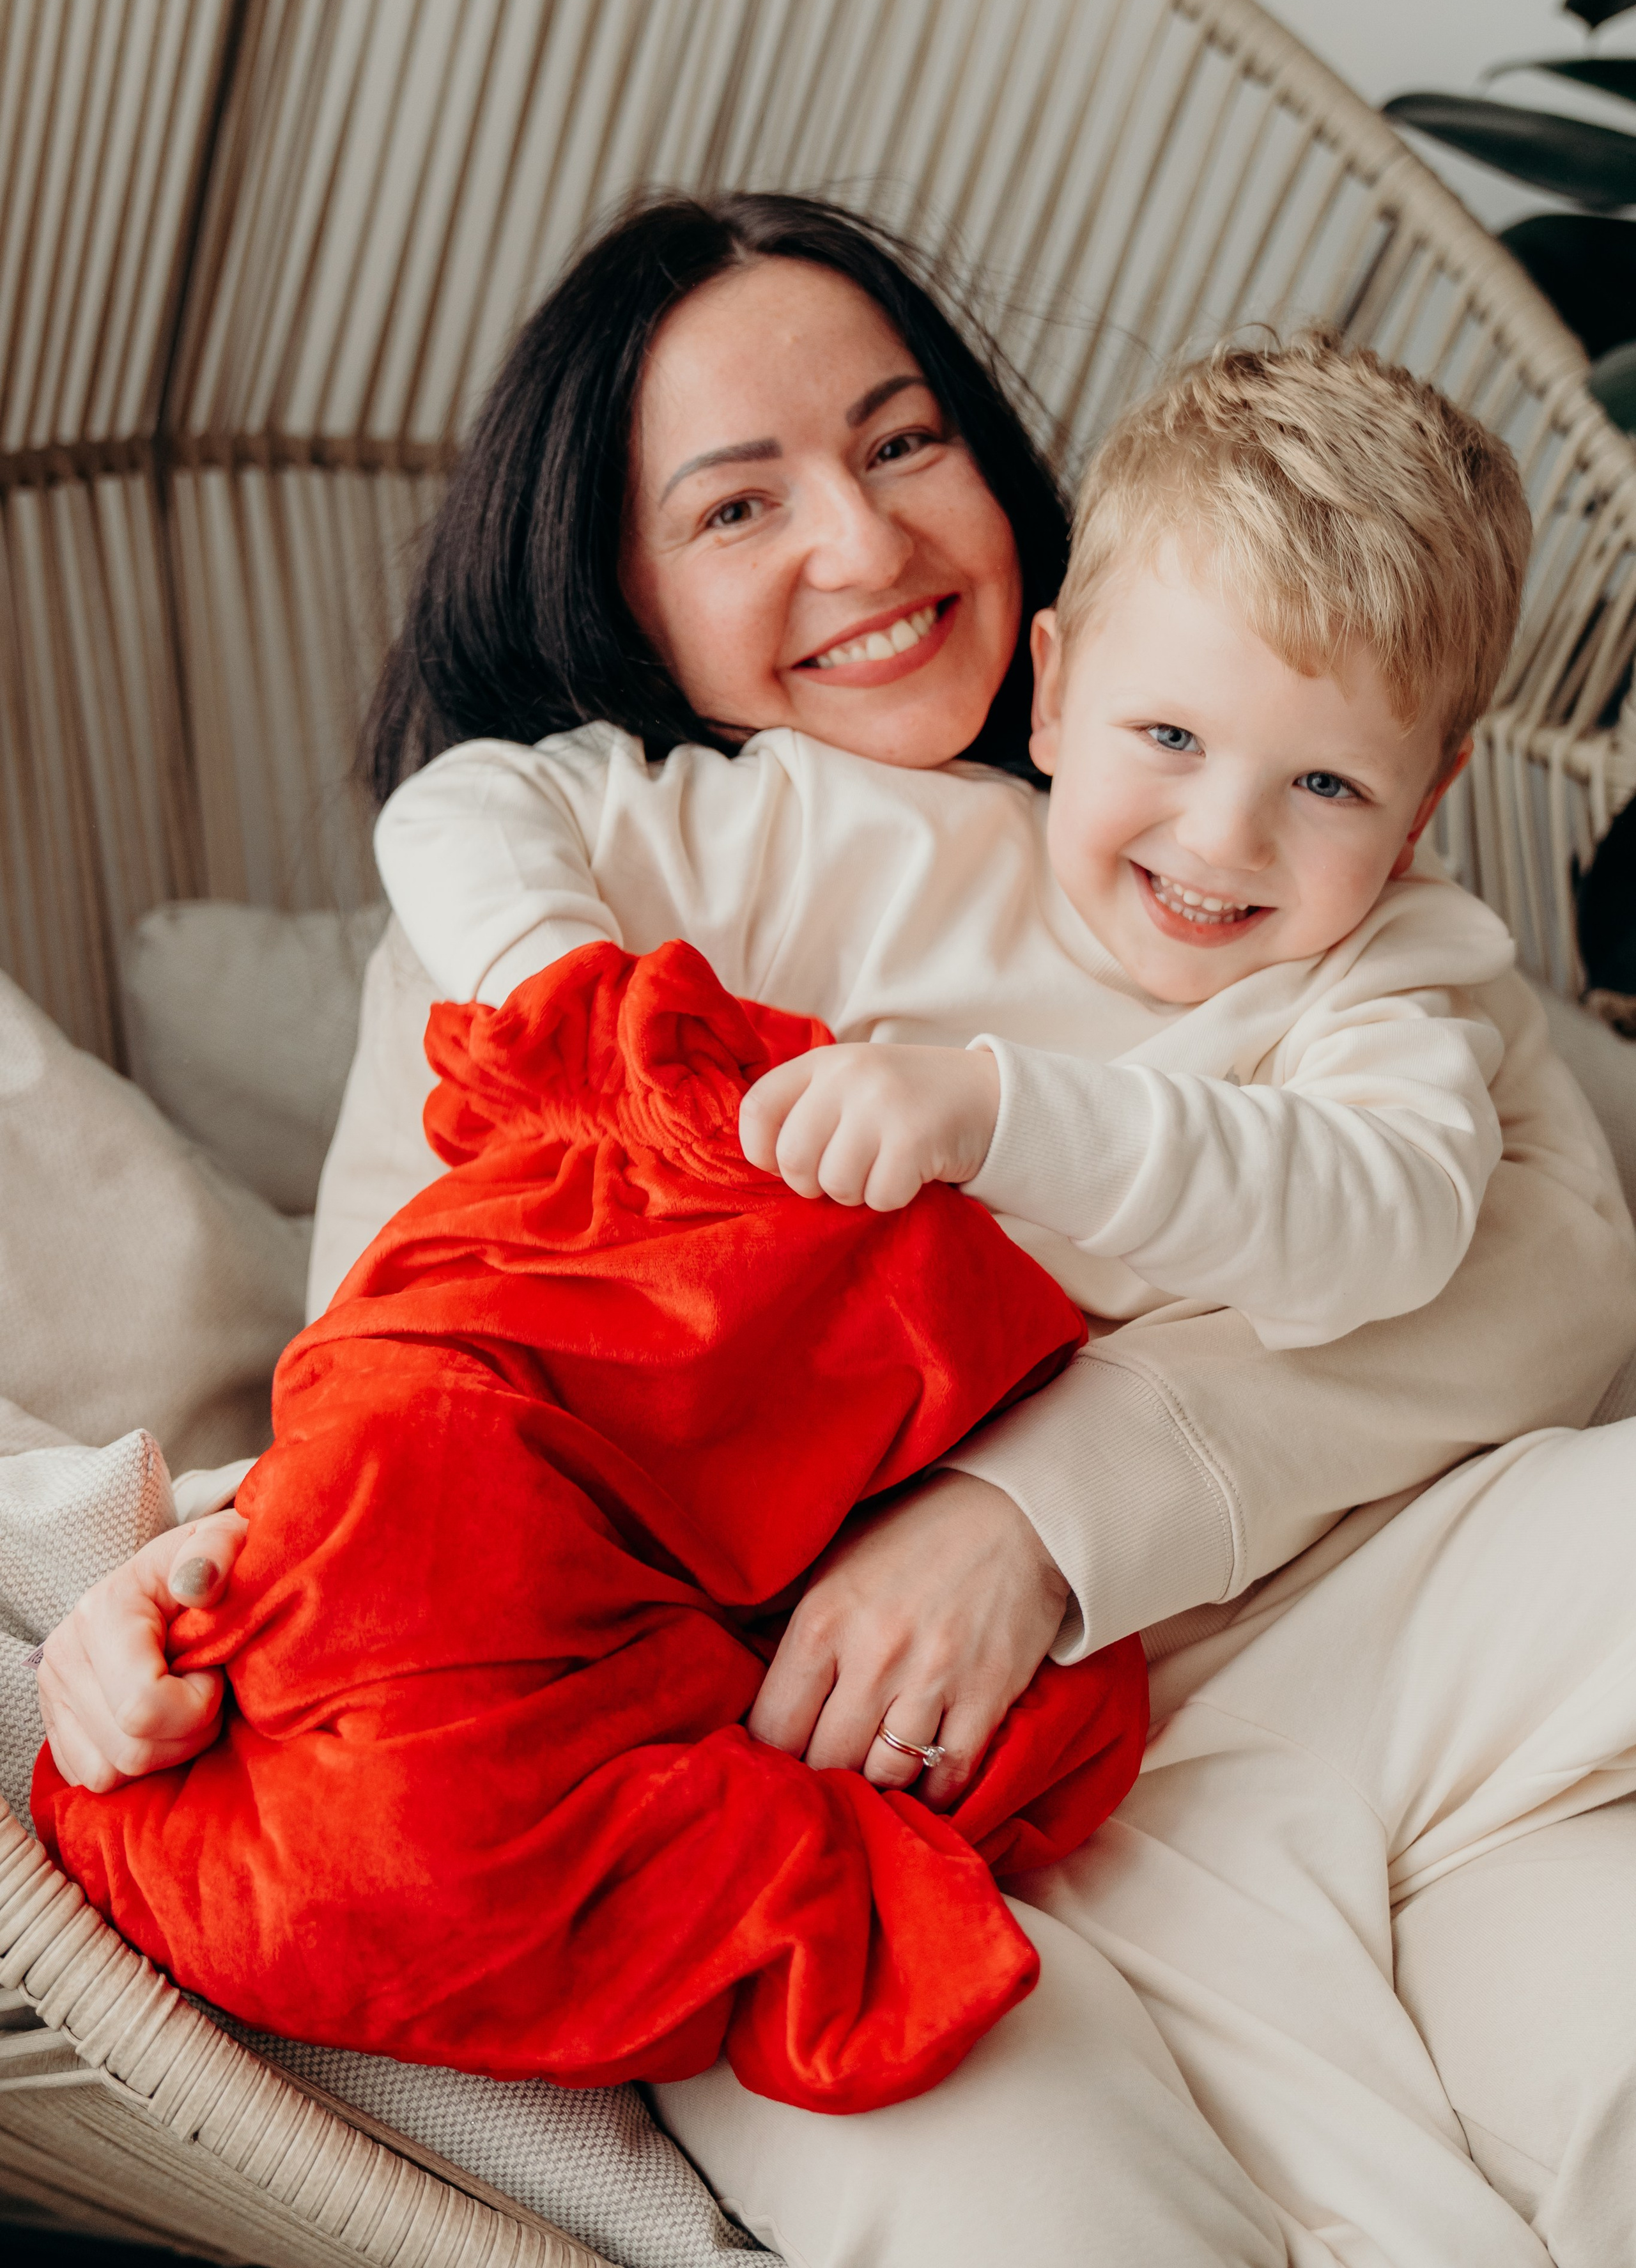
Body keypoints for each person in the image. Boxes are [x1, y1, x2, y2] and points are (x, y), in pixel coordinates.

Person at [36, 193, 1636, 2266]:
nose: (868, 547)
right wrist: (177, 1595)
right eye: (735, 507)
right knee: (1034, 2191)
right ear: (614, 589)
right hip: (847, 1786)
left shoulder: (1305, 860)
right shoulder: (636, 897)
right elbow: (433, 1391)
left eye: (903, 444)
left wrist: (1028, 1511)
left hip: (1360, 1642)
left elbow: (1532, 1266)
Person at [374, 330, 1527, 1356]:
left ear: (1425, 806)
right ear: (1058, 692)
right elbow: (470, 805)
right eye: (1171, 735)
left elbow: (1398, 1218)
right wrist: (574, 1006)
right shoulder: (872, 829)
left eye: (1327, 782)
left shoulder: (1380, 974)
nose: (1224, 838)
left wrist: (993, 1116)